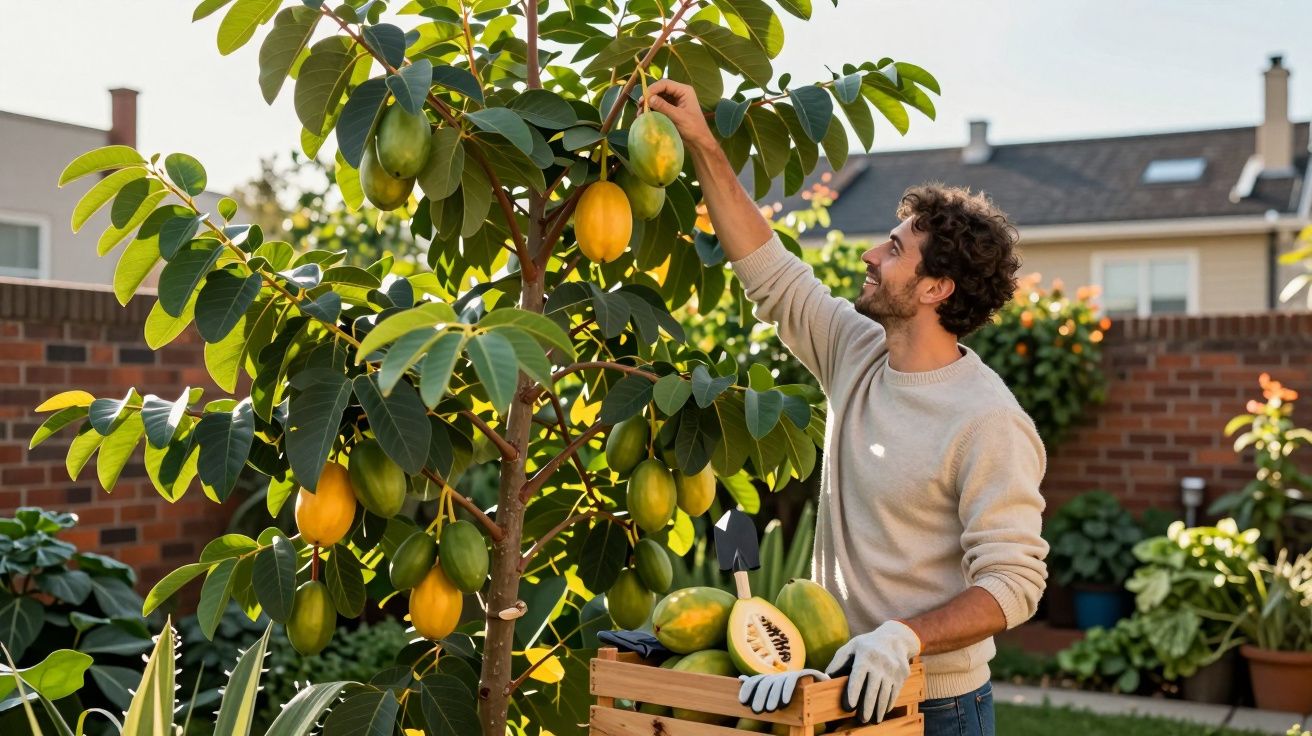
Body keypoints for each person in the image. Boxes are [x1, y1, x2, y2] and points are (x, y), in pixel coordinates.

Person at [641, 79, 1048, 735]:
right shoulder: (856, 351)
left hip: (936, 705)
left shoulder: (987, 419)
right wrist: (701, 142)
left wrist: (902, 638)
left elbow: (1014, 584)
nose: (869, 254)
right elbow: (769, 272)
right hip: (837, 690)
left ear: (935, 287)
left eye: (893, 250)